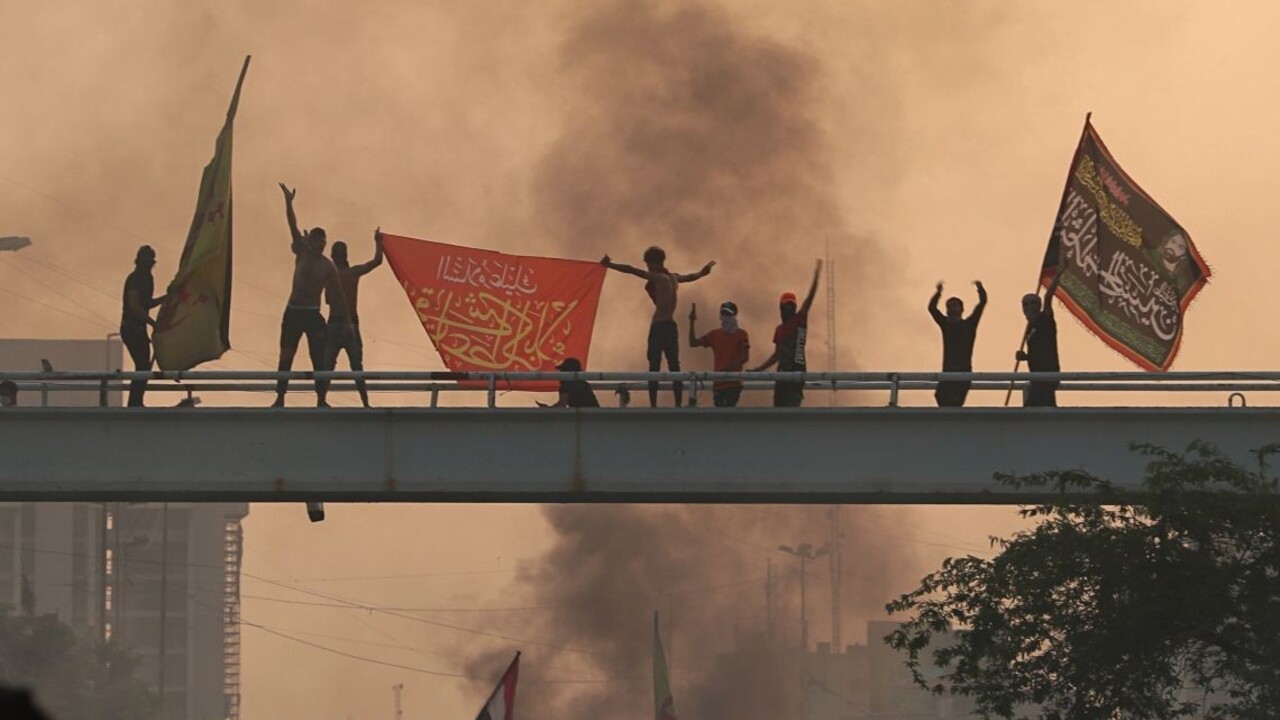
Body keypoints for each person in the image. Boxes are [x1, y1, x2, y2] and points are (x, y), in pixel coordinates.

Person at [600, 247, 715, 407]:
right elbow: (690, 277)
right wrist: (702, 273)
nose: (647, 267)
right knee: (674, 366)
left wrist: (610, 265)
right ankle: (678, 404)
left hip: (659, 325)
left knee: (654, 366)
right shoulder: (673, 277)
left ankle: (653, 404)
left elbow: (631, 270)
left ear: (653, 263)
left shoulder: (657, 277)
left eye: (648, 264)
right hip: (671, 326)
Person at [273, 183, 348, 408]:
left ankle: (321, 398)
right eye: (315, 242)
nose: (319, 246)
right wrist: (289, 203)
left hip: (313, 313)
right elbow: (292, 225)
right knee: (286, 355)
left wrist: (346, 321)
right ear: (310, 242)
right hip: (294, 311)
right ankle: (280, 397)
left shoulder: (328, 267)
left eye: (322, 243)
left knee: (319, 359)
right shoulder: (302, 253)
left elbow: (339, 294)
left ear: (324, 244)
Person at [321, 228, 384, 407]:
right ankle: (365, 403)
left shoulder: (329, 275)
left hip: (336, 323)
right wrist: (378, 242)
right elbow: (377, 261)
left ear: (333, 256)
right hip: (347, 324)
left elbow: (325, 300)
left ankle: (322, 400)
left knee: (328, 367)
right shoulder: (351, 273)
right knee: (355, 366)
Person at [752, 260, 822, 407]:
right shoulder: (779, 330)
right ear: (781, 308)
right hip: (782, 372)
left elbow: (809, 298)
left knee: (793, 406)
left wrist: (816, 277)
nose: (789, 308)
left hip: (797, 369)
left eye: (792, 305)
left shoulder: (800, 319)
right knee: (779, 406)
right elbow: (776, 355)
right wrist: (759, 369)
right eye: (786, 305)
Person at [120, 245, 167, 407]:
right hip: (132, 328)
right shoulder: (135, 278)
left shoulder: (147, 278)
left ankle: (136, 401)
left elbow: (145, 304)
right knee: (143, 365)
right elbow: (135, 306)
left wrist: (166, 298)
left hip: (138, 328)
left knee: (143, 365)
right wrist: (153, 323)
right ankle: (135, 402)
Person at [928, 280, 987, 407]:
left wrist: (980, 288)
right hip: (948, 372)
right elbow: (932, 309)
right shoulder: (946, 325)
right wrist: (938, 293)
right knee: (940, 396)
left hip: (964, 372)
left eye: (955, 306)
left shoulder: (969, 325)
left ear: (962, 309)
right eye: (949, 307)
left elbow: (982, 304)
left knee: (955, 404)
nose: (952, 309)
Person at [1017, 268, 1065, 407]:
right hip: (1036, 378)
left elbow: (1048, 297)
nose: (1029, 307)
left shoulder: (1045, 319)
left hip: (1048, 375)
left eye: (1033, 303)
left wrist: (1058, 275)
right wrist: (1024, 357)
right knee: (1047, 408)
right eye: (1026, 304)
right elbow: (1038, 353)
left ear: (1039, 305)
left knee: (1030, 411)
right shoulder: (1029, 328)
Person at [688, 301, 750, 407]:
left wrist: (729, 368)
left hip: (733, 382)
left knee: (727, 411)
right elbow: (693, 342)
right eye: (723, 314)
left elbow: (745, 356)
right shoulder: (715, 334)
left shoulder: (741, 334)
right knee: (720, 413)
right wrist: (691, 321)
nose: (725, 317)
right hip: (718, 383)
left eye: (728, 314)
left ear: (734, 316)